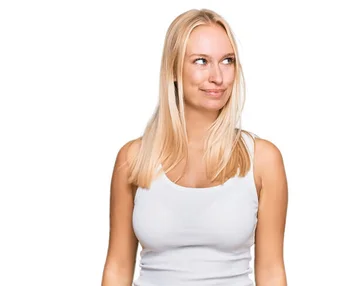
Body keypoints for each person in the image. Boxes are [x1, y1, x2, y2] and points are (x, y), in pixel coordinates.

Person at [101, 8, 288, 286]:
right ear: (174, 70)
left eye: (227, 61)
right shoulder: (134, 159)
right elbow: (117, 267)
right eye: (201, 61)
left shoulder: (262, 160)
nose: (218, 76)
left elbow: (272, 271)